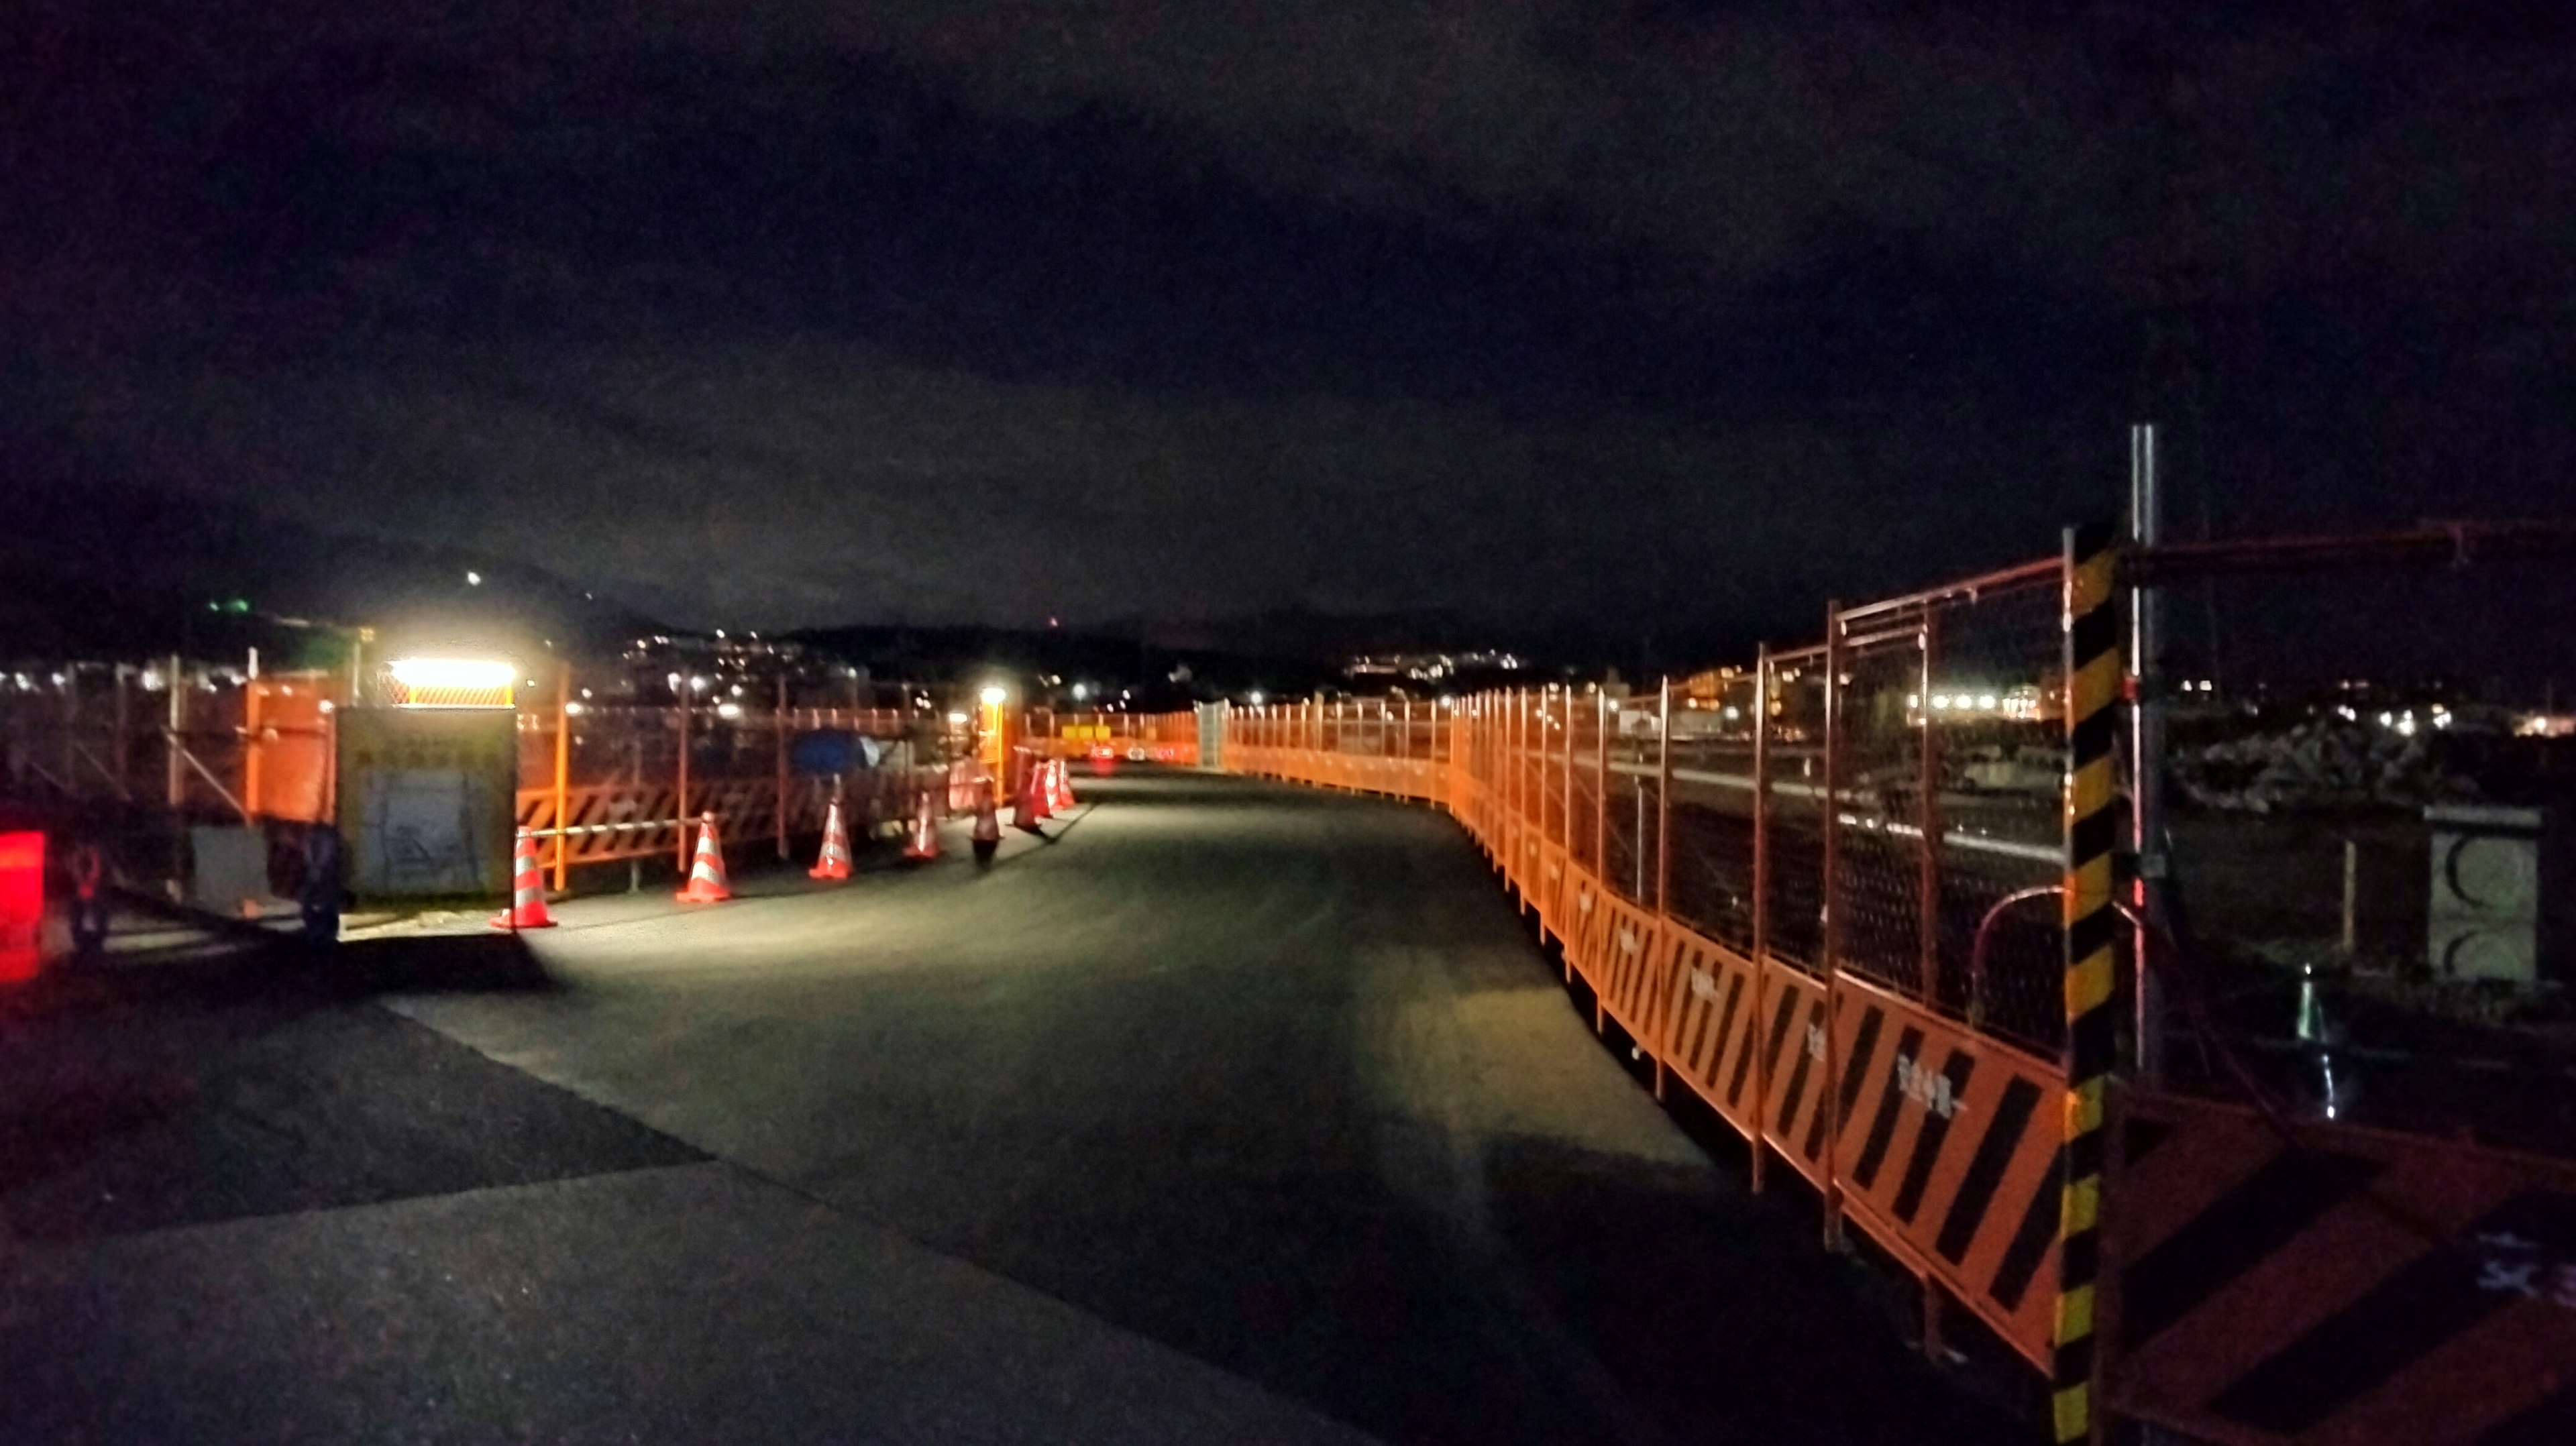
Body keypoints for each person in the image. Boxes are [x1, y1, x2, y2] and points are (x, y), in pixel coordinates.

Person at [299, 824, 343, 946]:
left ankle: (322, 933)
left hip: (323, 874)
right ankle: (319, 933)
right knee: (314, 902)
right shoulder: (316, 838)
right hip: (320, 873)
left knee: (326, 905)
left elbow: (322, 855)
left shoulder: (326, 839)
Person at [971, 785, 1002, 867]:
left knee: (981, 849)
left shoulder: (982, 801)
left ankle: (982, 860)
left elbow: (979, 812)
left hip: (982, 835)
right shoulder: (991, 802)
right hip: (989, 835)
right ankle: (985, 860)